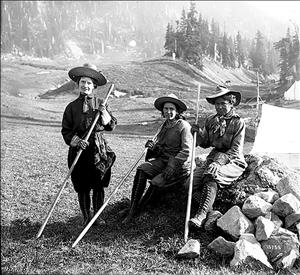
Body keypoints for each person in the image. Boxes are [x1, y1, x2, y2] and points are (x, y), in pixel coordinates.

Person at [122, 94, 193, 224]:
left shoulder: (184, 126)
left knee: (156, 182)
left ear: (177, 111)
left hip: (178, 165)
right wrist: (151, 146)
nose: (168, 112)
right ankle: (132, 208)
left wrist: (173, 165)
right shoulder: (164, 126)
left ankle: (140, 208)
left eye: (171, 109)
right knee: (142, 170)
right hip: (163, 161)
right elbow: (159, 147)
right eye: (166, 109)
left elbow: (187, 150)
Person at [61, 63, 117, 226]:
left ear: (94, 86)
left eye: (89, 83)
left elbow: (111, 125)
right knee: (82, 185)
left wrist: (104, 112)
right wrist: (77, 141)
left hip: (98, 150)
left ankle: (98, 216)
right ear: (78, 84)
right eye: (83, 82)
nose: (86, 85)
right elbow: (66, 131)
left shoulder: (101, 102)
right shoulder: (71, 107)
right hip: (79, 151)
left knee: (98, 184)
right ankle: (86, 216)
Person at [188, 85, 247, 230]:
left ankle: (200, 215)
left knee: (211, 174)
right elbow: (206, 143)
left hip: (233, 160)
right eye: (217, 104)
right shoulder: (211, 120)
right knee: (189, 184)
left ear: (231, 103)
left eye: (223, 103)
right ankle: (212, 212)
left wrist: (219, 162)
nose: (219, 107)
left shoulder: (238, 122)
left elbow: (235, 149)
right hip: (213, 157)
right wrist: (198, 133)